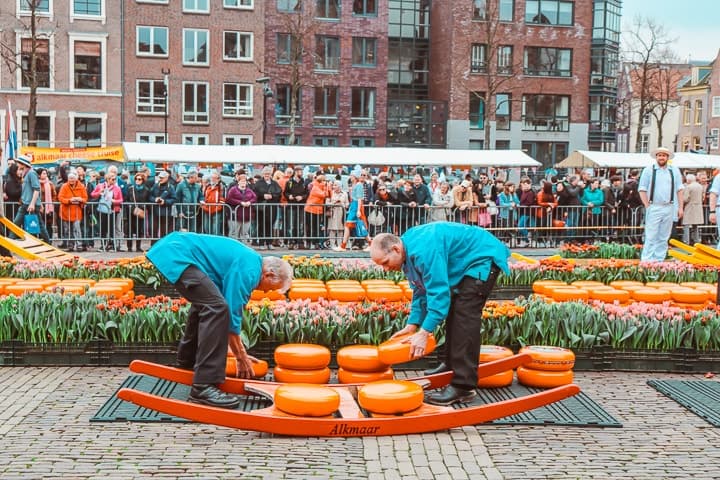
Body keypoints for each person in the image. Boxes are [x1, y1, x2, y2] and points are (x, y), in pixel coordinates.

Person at [146, 231, 293, 409]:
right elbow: (231, 315)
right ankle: (203, 386)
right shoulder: (251, 270)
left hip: (173, 249)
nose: (265, 292)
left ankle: (188, 361)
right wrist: (241, 357)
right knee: (217, 308)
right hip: (177, 254)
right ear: (268, 275)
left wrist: (240, 352)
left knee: (209, 305)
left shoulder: (249, 261)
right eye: (271, 288)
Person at [368, 222, 510, 406]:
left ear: (395, 248)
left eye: (385, 263)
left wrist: (424, 332)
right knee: (453, 310)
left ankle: (463, 386)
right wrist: (412, 325)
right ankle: (450, 364)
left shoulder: (423, 252)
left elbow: (438, 293)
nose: (385, 270)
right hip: (465, 263)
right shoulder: (407, 253)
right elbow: (421, 290)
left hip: (481, 259)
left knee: (464, 317)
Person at [638, 147, 684, 261]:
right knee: (651, 235)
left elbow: (679, 189)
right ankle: (647, 260)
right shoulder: (649, 170)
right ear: (656, 157)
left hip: (669, 206)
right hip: (654, 205)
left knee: (664, 236)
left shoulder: (674, 170)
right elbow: (642, 189)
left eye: (664, 155)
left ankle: (659, 260)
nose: (662, 157)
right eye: (659, 155)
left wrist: (680, 207)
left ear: (667, 157)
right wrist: (647, 205)